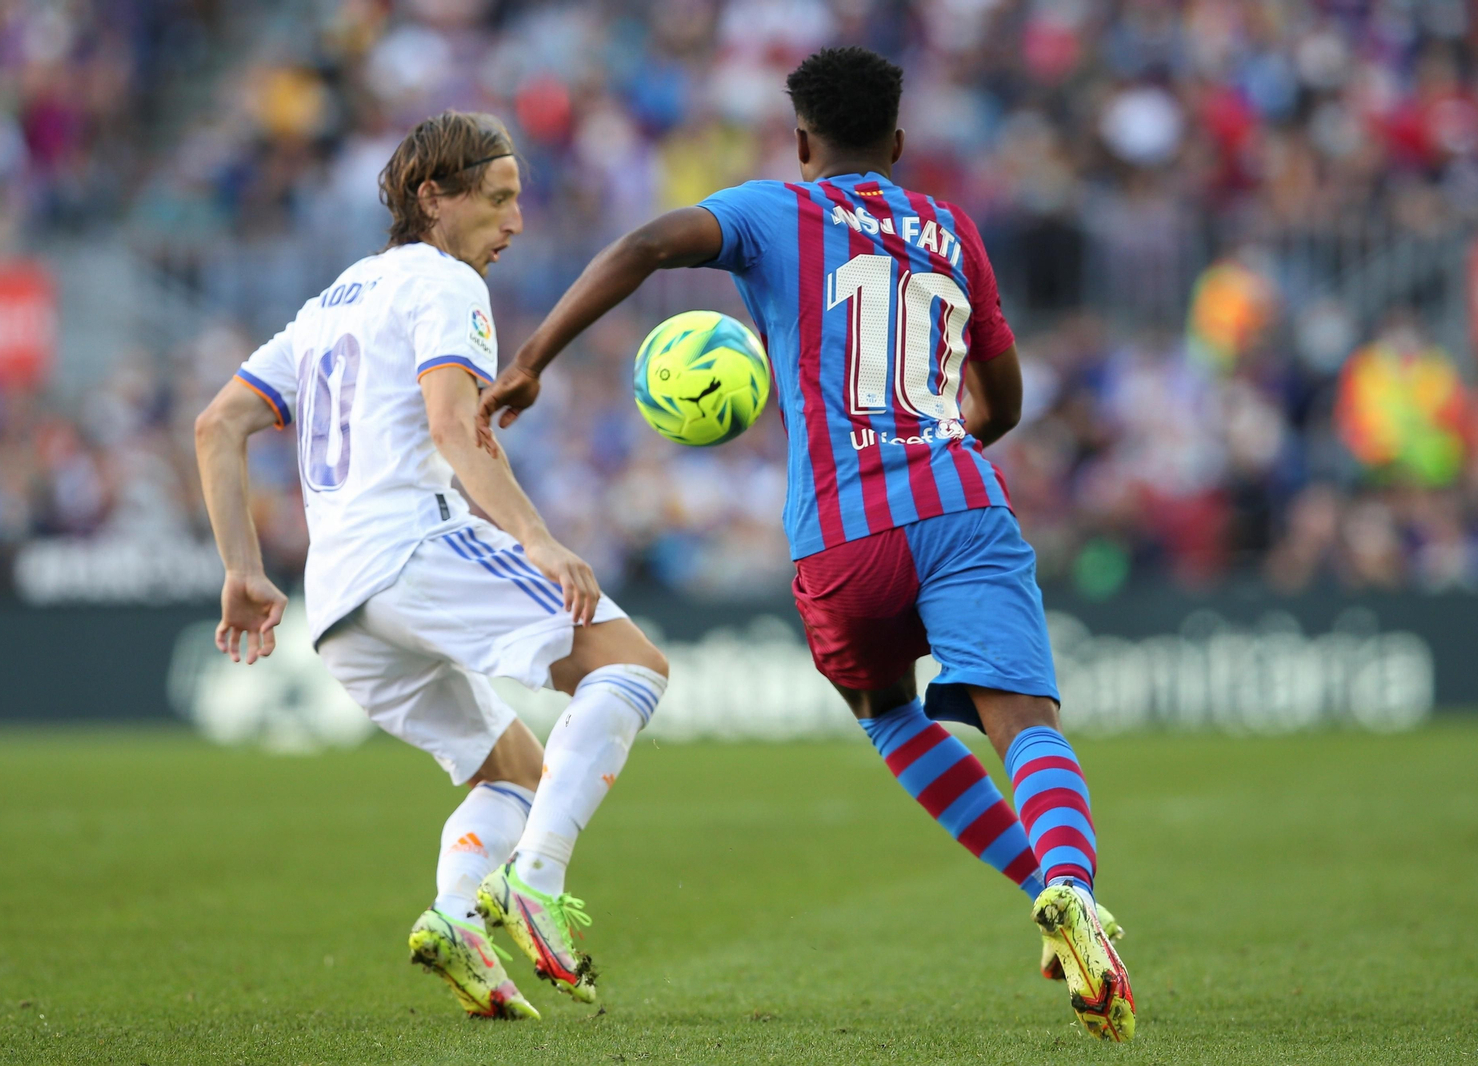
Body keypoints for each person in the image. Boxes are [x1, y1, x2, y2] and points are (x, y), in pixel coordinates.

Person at [475, 49, 1135, 1041]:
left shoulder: (775, 210)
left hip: (838, 532)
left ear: (799, 141)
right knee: (1023, 718)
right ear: (900, 143)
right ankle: (1071, 890)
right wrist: (940, 448)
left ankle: (1039, 885)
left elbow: (650, 242)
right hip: (960, 503)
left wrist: (530, 359)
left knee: (886, 714)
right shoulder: (951, 228)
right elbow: (1003, 398)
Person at [193, 111, 668, 1017]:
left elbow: (218, 425)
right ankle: (536, 883)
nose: (515, 221)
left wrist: (242, 569)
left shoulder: (332, 301)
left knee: (516, 771)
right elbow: (454, 427)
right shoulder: (444, 284)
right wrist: (538, 537)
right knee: (633, 669)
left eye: (518, 201)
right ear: (433, 198)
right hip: (413, 547)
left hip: (341, 608)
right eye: (497, 200)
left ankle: (456, 917)